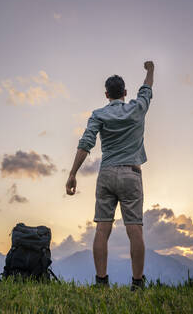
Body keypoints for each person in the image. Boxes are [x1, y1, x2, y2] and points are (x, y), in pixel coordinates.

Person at [66, 61, 154, 291]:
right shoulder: (137, 108)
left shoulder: (98, 114)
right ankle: (137, 284)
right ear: (125, 93)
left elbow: (86, 144)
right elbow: (147, 89)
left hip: (106, 174)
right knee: (134, 229)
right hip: (131, 173)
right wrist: (150, 70)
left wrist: (73, 173)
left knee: (102, 230)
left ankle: (101, 282)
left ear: (106, 94)